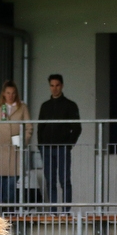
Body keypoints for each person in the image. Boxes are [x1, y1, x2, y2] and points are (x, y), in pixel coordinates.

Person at [37, 74, 82, 212]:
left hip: (62, 148)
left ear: (61, 86)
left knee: (64, 181)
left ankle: (66, 211)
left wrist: (68, 145)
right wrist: (41, 146)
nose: (54, 88)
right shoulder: (45, 106)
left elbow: (77, 128)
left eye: (57, 85)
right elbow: (40, 128)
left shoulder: (70, 105)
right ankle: (53, 212)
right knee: (50, 181)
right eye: (52, 85)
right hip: (47, 148)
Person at [0, 80, 32, 205]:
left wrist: (24, 142)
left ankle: (10, 214)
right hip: (1, 151)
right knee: (0, 184)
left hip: (17, 151)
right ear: (3, 94)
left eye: (13, 93)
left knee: (12, 185)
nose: (10, 95)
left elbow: (29, 127)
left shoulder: (22, 107)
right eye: (8, 93)